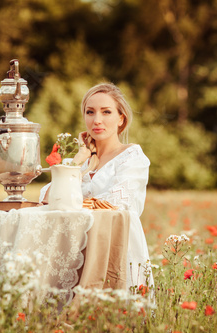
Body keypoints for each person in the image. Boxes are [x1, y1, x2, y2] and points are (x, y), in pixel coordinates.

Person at [39, 82, 154, 290]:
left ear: (121, 119)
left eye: (106, 112)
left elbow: (114, 204)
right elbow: (46, 197)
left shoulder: (132, 157)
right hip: (77, 246)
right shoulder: (81, 162)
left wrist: (70, 201)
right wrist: (78, 160)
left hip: (116, 244)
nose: (97, 120)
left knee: (111, 315)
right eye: (90, 112)